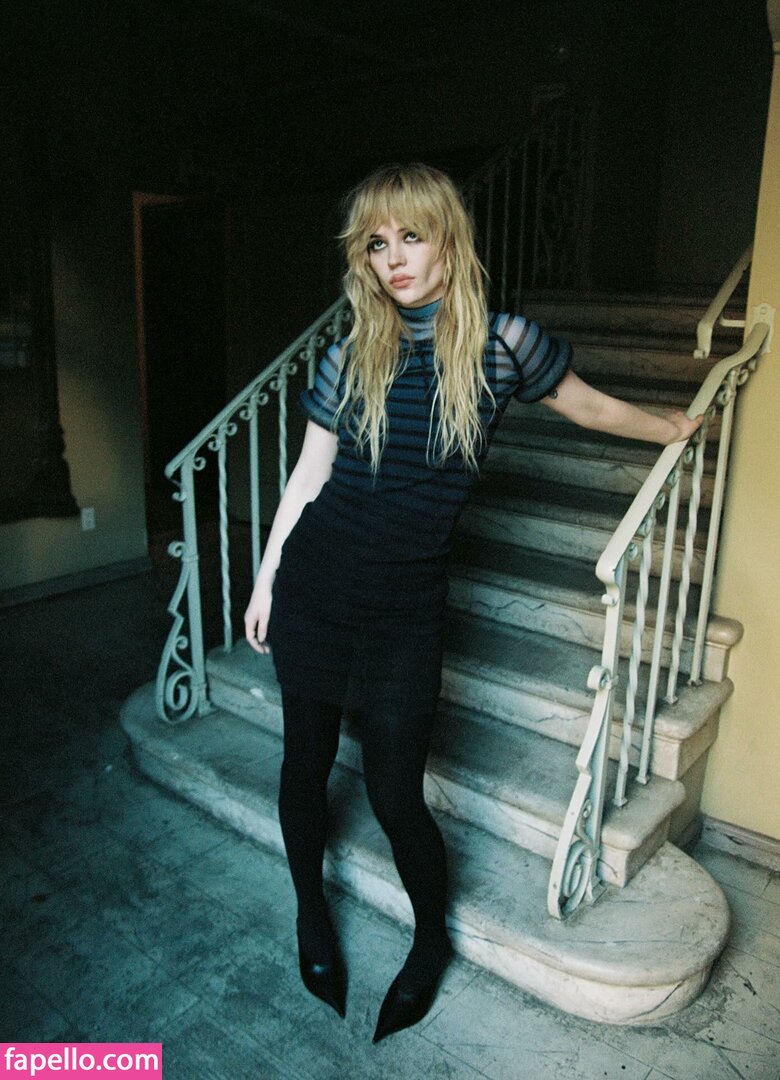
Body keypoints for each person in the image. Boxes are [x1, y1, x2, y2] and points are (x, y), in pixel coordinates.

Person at [244, 163, 701, 1042]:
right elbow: (307, 478)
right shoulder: (350, 355)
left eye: (411, 237)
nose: (394, 258)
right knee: (304, 766)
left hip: (404, 609)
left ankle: (429, 944)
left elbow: (591, 409)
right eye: (377, 244)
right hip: (317, 587)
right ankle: (311, 916)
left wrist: (672, 429)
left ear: (449, 243)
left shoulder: (503, 345)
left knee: (394, 795)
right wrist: (266, 582)